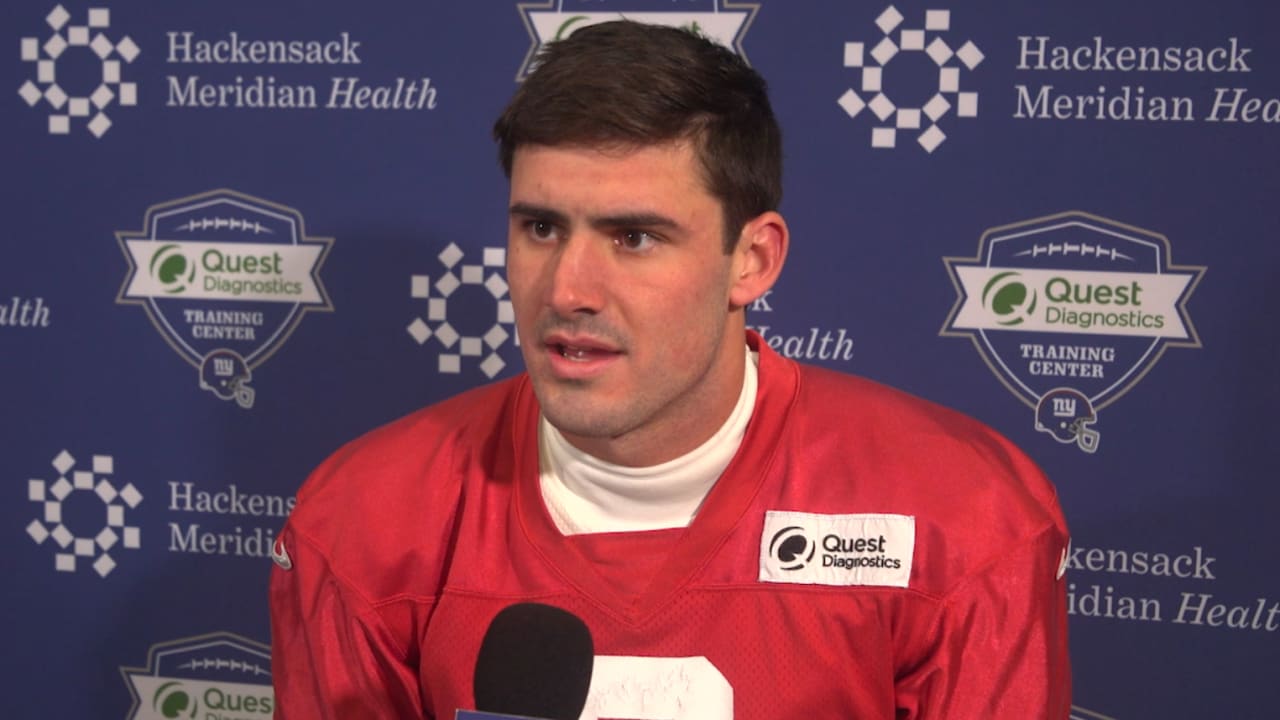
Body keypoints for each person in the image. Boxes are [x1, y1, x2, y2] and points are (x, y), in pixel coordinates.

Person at [269, 20, 1071, 719]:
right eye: (541, 227)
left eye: (635, 238)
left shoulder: (960, 519)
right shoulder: (364, 522)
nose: (569, 290)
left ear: (752, 260)